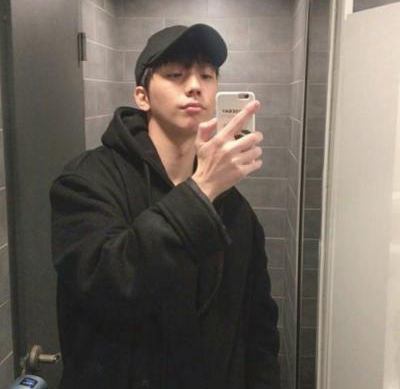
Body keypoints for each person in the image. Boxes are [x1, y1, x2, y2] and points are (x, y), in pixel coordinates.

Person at [50, 23, 280, 389]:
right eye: (176, 74)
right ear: (142, 97)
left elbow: (258, 331)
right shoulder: (86, 181)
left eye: (207, 75)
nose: (195, 85)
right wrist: (202, 189)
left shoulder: (235, 209)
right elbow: (108, 284)